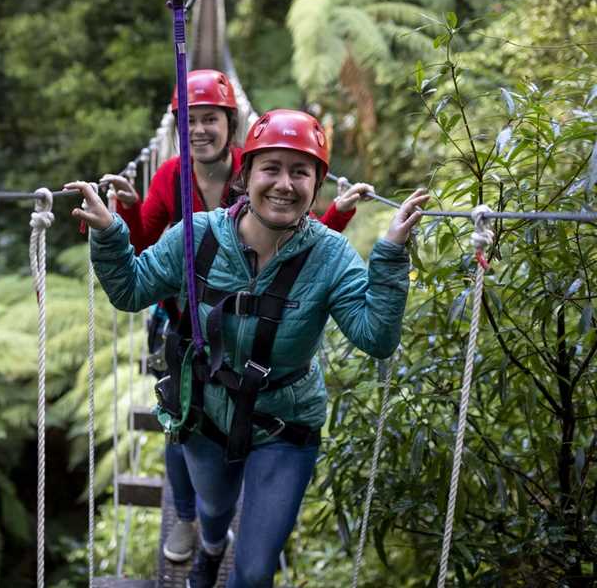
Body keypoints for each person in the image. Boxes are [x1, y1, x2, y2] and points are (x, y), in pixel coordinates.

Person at [67, 108, 428, 588]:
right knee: (213, 510)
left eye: (300, 172)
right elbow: (131, 291)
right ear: (248, 175)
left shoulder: (332, 254)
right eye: (271, 169)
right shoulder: (197, 235)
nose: (284, 184)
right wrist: (111, 234)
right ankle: (211, 546)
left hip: (285, 422)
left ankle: (222, 555)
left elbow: (376, 337)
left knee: (255, 573)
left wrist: (390, 255)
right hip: (206, 411)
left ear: (317, 184)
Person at [98, 70, 373, 564]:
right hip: (182, 320)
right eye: (191, 121)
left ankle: (209, 529)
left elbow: (294, 256)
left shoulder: (263, 174)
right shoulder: (170, 177)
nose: (201, 130)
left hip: (258, 345)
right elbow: (149, 254)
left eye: (211, 119)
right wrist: (124, 216)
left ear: (231, 126)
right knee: (181, 415)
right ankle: (189, 518)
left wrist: (340, 218)